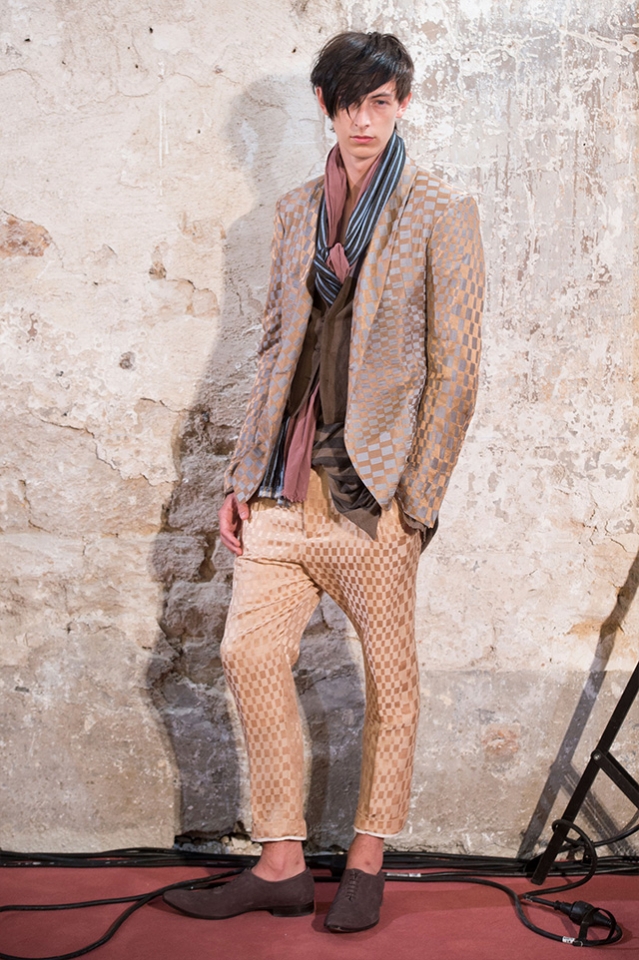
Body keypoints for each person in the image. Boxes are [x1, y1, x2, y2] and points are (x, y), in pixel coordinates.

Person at [164, 30, 484, 933]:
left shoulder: (440, 209)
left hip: (371, 497)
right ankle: (279, 863)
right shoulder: (297, 208)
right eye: (348, 104)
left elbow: (456, 370)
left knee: (391, 679)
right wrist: (242, 473)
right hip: (282, 483)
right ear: (324, 106)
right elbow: (275, 344)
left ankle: (368, 857)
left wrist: (417, 501)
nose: (363, 121)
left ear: (402, 104)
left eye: (379, 103)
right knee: (247, 654)